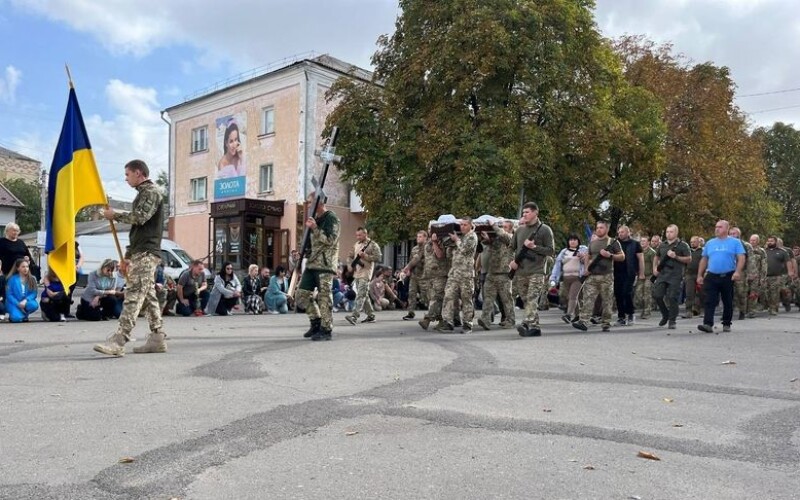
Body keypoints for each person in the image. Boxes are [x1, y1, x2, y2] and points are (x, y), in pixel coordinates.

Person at [93, 159, 168, 356]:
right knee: (149, 296)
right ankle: (157, 338)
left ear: (139, 173)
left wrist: (113, 215)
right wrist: (127, 257)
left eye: (127, 174)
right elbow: (138, 230)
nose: (126, 179)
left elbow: (140, 218)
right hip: (140, 251)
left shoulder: (151, 192)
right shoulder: (143, 194)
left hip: (147, 253)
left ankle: (119, 340)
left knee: (134, 295)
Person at [296, 194, 340, 341]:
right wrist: (301, 254)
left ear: (319, 203)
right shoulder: (315, 220)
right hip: (312, 263)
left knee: (324, 297)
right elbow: (311, 244)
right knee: (301, 294)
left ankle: (326, 329)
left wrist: (315, 228)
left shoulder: (331, 218)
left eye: (310, 202)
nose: (308, 206)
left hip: (325, 264)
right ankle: (316, 322)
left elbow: (330, 240)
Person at [510, 203, 555, 337]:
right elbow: (510, 248)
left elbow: (551, 250)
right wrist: (511, 262)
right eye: (523, 212)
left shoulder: (545, 230)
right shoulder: (519, 230)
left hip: (537, 270)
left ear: (536, 213)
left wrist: (534, 247)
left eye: (527, 212)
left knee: (531, 298)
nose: (524, 214)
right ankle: (535, 327)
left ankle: (526, 323)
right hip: (521, 271)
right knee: (525, 299)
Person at [572, 221, 624, 332]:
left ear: (607, 229)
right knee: (588, 299)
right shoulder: (593, 243)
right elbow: (588, 256)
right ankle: (583, 321)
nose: (598, 229)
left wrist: (610, 255)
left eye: (601, 228)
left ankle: (606, 323)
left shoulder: (612, 242)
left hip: (606, 276)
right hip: (592, 275)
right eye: (597, 227)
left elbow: (622, 257)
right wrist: (586, 269)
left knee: (607, 300)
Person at [696, 220, 745, 333]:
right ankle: (708, 324)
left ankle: (727, 323)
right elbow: (704, 259)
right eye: (716, 227)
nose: (717, 229)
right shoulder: (710, 243)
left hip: (728, 275)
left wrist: (737, 272)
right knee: (709, 300)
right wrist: (700, 274)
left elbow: (741, 257)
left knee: (727, 300)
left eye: (720, 227)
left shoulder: (735, 242)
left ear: (726, 229)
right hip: (712, 275)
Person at [439, 218, 479, 333]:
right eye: (460, 225)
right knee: (448, 296)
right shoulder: (460, 237)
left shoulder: (472, 237)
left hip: (466, 274)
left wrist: (456, 239)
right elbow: (447, 247)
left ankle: (467, 324)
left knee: (466, 299)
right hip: (454, 273)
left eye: (465, 225)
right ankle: (448, 322)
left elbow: (465, 250)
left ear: (471, 226)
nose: (462, 227)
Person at [477, 221, 516, 330]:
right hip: (492, 272)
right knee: (488, 297)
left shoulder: (511, 237)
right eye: (501, 227)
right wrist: (487, 237)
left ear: (510, 229)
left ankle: (510, 320)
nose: (502, 228)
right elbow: (488, 244)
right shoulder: (497, 239)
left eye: (505, 227)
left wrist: (494, 225)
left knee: (506, 299)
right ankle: (485, 319)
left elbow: (504, 236)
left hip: (504, 273)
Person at [652, 225, 692, 329]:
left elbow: (689, 259)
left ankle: (672, 320)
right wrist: (655, 268)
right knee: (657, 295)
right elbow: (657, 256)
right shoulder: (662, 245)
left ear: (676, 233)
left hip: (675, 275)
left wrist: (676, 257)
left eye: (671, 232)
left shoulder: (683, 245)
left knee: (672, 297)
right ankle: (665, 314)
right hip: (663, 274)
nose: (668, 234)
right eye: (667, 232)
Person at [345, 227, 383, 325]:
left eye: (360, 235)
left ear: (365, 234)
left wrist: (365, 256)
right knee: (364, 295)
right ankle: (371, 316)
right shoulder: (356, 245)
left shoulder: (373, 245)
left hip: (366, 273)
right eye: (356, 235)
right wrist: (349, 265)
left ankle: (354, 316)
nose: (358, 237)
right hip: (357, 273)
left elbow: (378, 257)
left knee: (361, 294)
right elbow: (350, 256)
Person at [550, 233, 587, 324]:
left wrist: (583, 257)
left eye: (575, 240)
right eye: (571, 240)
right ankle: (578, 315)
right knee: (568, 297)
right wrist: (554, 278)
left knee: (573, 296)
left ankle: (569, 315)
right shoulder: (564, 251)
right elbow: (557, 265)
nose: (573, 241)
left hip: (578, 277)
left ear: (578, 241)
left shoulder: (583, 249)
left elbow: (588, 259)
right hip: (566, 277)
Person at [613, 225, 644, 326]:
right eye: (619, 232)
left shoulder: (635, 244)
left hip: (629, 272)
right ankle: (621, 316)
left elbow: (640, 259)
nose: (620, 234)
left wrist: (641, 273)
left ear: (628, 233)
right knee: (618, 294)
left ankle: (630, 313)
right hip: (616, 272)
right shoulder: (615, 243)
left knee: (626, 293)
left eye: (622, 232)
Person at [764, 236, 794, 315]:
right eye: (768, 241)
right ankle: (768, 306)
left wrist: (790, 272)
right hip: (764, 276)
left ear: (776, 242)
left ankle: (774, 309)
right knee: (765, 293)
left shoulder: (782, 251)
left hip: (777, 276)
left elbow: (788, 262)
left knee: (774, 293)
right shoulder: (764, 251)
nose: (770, 242)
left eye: (772, 241)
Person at [401, 230, 428, 320]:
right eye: (417, 237)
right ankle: (410, 312)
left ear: (425, 238)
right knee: (411, 293)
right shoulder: (414, 249)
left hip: (424, 275)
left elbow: (417, 259)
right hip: (414, 274)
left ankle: (433, 312)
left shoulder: (428, 248)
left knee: (425, 295)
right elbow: (411, 260)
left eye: (420, 237)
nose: (418, 238)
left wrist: (407, 268)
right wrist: (409, 270)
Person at [5, 258, 39, 322]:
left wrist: (25, 300)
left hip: (25, 302)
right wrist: (18, 304)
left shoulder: (32, 279)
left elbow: (34, 293)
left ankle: (24, 315)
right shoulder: (12, 279)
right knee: (16, 319)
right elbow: (9, 295)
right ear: (18, 268)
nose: (26, 269)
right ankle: (16, 314)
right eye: (23, 267)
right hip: (14, 302)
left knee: (34, 305)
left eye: (27, 267)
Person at [635, 235, 656, 319]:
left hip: (649, 276)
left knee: (647, 293)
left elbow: (655, 265)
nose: (642, 242)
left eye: (644, 241)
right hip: (640, 275)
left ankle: (647, 312)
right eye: (641, 241)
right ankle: (643, 309)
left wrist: (654, 276)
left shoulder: (652, 252)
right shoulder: (639, 251)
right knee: (638, 294)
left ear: (648, 242)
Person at [682, 236, 704, 319]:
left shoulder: (703, 251)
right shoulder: (688, 251)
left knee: (701, 293)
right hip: (689, 274)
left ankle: (701, 310)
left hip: (700, 274)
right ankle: (688, 311)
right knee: (689, 293)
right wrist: (683, 274)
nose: (692, 243)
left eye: (694, 242)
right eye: (691, 242)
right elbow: (684, 263)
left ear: (699, 242)